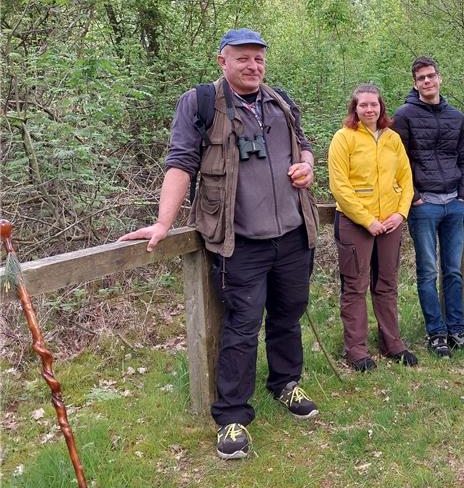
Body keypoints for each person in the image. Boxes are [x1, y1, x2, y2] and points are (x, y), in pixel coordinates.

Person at [119, 28, 321, 460]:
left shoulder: (279, 100)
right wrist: (162, 223)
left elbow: (305, 149)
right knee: (242, 328)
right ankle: (231, 416)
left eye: (259, 59)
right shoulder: (201, 103)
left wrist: (307, 168)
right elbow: (179, 164)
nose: (253, 66)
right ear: (222, 61)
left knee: (288, 316)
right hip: (239, 243)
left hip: (293, 235)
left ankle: (285, 384)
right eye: (243, 58)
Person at [328, 84, 418, 372]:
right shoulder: (344, 138)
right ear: (354, 108)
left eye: (374, 104)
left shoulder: (392, 139)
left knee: (387, 284)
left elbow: (406, 180)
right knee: (355, 286)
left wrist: (400, 214)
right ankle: (356, 349)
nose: (369, 109)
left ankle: (392, 342)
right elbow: (340, 186)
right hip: (356, 224)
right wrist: (368, 220)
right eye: (363, 105)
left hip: (390, 223)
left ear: (381, 107)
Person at [392, 57, 464, 358]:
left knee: (453, 270)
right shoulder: (403, 116)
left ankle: (457, 329)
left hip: (452, 203)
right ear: (415, 84)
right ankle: (436, 333)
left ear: (440, 78)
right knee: (428, 271)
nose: (427, 82)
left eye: (431, 76)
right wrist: (412, 195)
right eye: (421, 78)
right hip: (424, 204)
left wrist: (463, 194)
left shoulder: (456, 116)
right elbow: (396, 160)